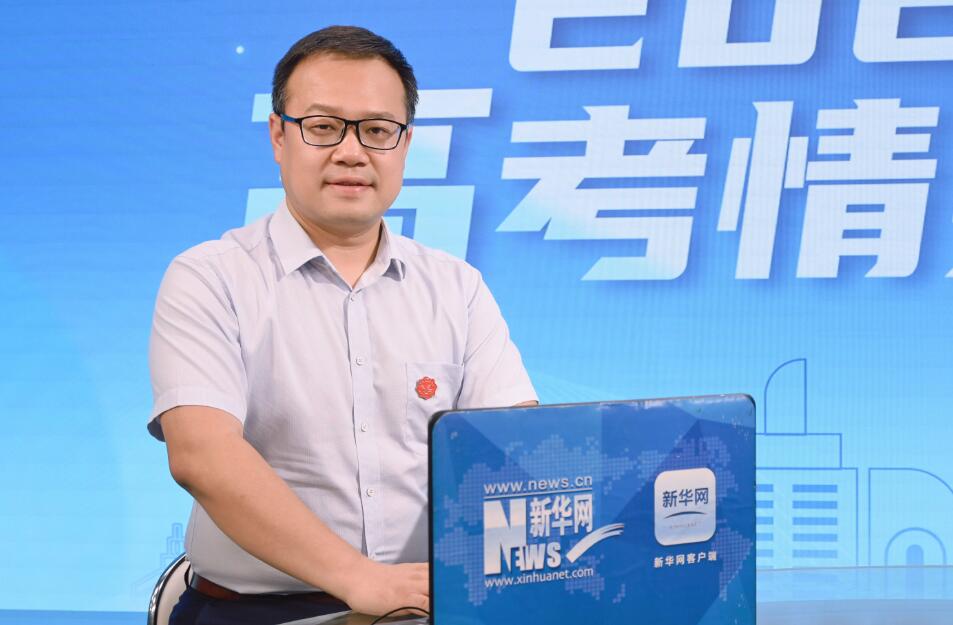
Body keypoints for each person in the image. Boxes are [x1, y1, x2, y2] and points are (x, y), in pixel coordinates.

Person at [148, 25, 537, 625]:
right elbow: (202, 455)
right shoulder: (210, 277)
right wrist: (360, 580)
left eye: (377, 130)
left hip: (425, 606)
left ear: (405, 144)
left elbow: (516, 449)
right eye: (324, 126)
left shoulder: (456, 287)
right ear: (279, 136)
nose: (352, 152)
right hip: (257, 612)